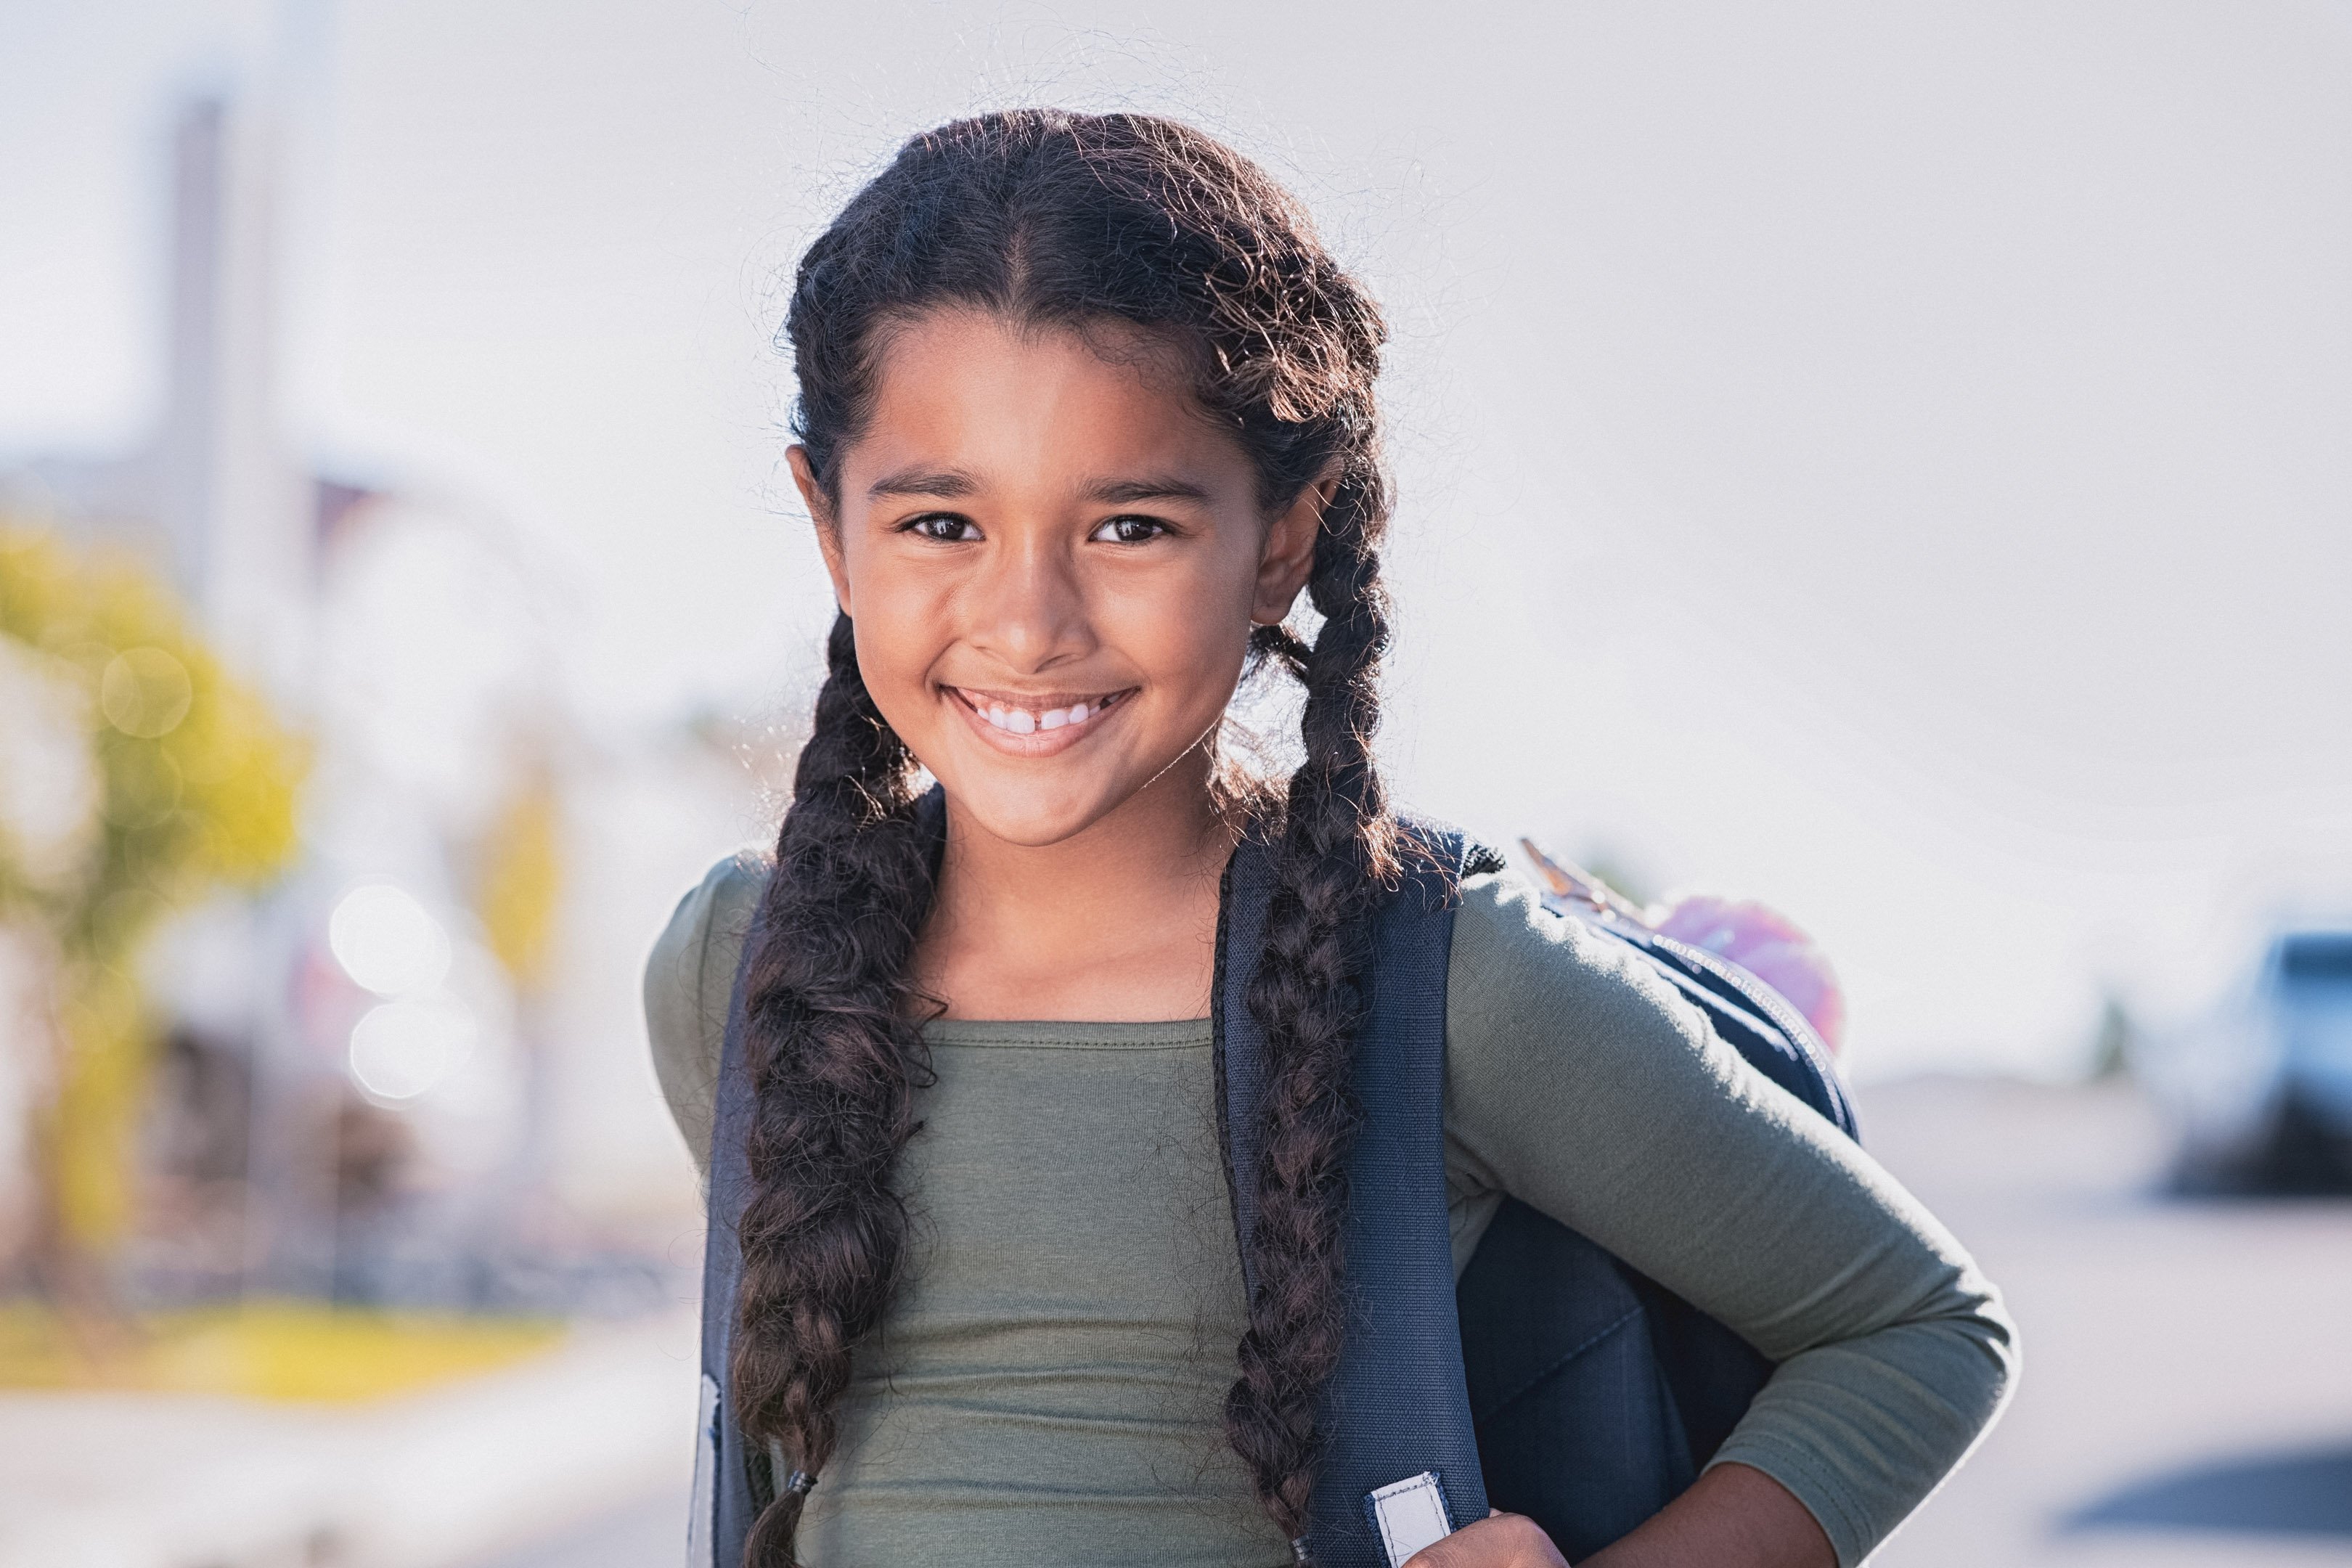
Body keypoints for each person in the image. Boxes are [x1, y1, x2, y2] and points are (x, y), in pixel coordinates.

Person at [645, 110, 2015, 1568]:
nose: (1028, 622)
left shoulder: (1451, 984)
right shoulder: (745, 970)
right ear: (828, 525)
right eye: (938, 525)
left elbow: (1918, 1330)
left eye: (1130, 529)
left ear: (1284, 540)